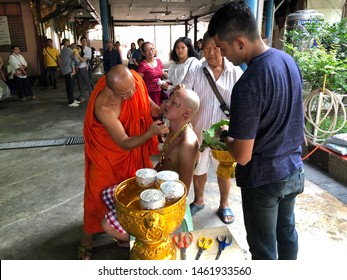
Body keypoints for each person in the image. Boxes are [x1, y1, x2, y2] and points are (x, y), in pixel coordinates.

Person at [208, 0, 305, 260]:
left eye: (223, 47)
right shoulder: (287, 61)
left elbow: (242, 155)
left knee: (264, 250)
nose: (223, 54)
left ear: (240, 42)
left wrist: (227, 138)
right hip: (294, 169)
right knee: (287, 235)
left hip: (264, 179)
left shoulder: (248, 83)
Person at [79, 64, 168, 260]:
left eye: (133, 88)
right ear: (112, 89)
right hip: (106, 154)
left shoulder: (133, 81)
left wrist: (163, 107)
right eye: (127, 93)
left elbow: (145, 101)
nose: (133, 93)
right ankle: (86, 240)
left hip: (130, 155)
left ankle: (124, 227)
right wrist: (150, 133)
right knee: (96, 194)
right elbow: (125, 142)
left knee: (130, 192)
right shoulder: (104, 106)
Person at [100, 87, 200, 247]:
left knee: (106, 224)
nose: (166, 104)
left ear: (186, 114)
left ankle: (149, 239)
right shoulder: (173, 129)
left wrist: (152, 208)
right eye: (169, 99)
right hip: (157, 187)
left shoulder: (187, 143)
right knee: (109, 194)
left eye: (174, 103)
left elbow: (183, 192)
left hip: (166, 204)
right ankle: (136, 234)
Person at [182, 32, 243, 223]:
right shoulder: (196, 71)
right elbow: (185, 95)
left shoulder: (236, 73)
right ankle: (198, 200)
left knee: (224, 170)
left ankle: (224, 204)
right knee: (198, 169)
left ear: (223, 48)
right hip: (198, 131)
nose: (210, 53)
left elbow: (243, 105)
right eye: (206, 48)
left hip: (223, 136)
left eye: (215, 48)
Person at [137, 42, 166, 106]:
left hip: (159, 92)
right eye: (147, 50)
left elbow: (161, 75)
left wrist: (164, 76)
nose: (150, 52)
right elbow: (138, 82)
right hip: (149, 94)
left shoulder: (159, 61)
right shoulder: (143, 65)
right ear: (143, 53)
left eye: (152, 49)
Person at [60, 38, 80, 107]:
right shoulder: (68, 50)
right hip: (69, 70)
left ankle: (71, 99)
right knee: (70, 86)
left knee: (68, 86)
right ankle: (71, 102)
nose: (69, 44)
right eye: (68, 42)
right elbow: (75, 58)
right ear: (65, 43)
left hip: (65, 70)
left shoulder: (62, 50)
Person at [76, 36, 93, 103]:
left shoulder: (88, 49)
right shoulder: (78, 48)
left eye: (85, 41)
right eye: (83, 41)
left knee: (87, 82)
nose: (84, 42)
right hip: (78, 68)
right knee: (80, 83)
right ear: (80, 41)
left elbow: (87, 58)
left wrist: (79, 57)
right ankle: (81, 96)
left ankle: (91, 95)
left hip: (85, 68)